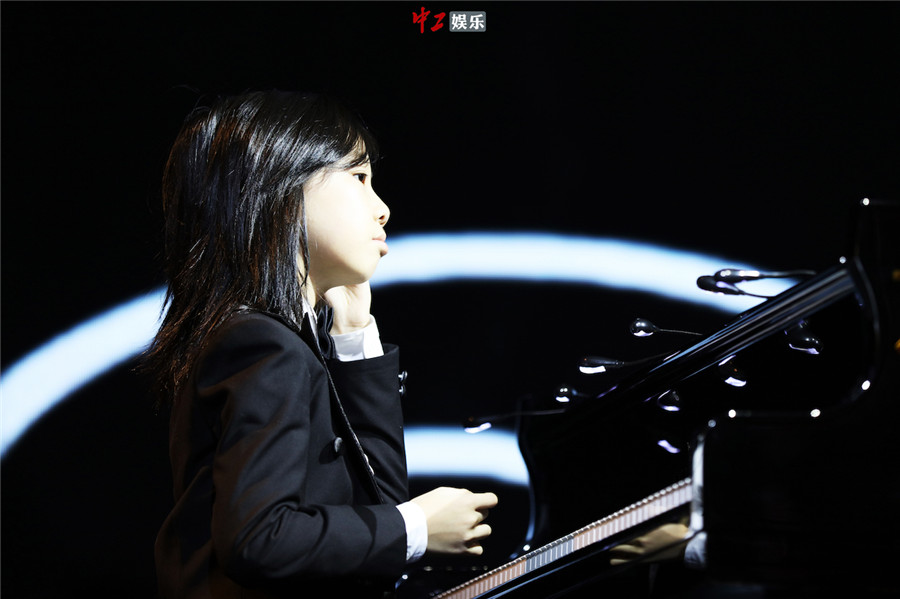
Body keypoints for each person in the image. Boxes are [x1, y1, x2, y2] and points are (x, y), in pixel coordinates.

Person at [144, 90, 498, 599]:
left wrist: (355, 337)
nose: (383, 209)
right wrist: (415, 527)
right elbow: (260, 538)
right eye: (359, 178)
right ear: (282, 187)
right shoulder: (260, 343)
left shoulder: (270, 340)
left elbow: (374, 506)